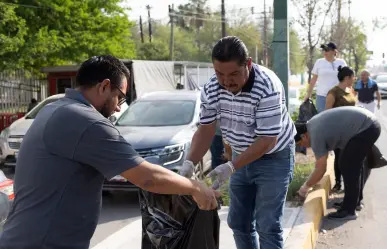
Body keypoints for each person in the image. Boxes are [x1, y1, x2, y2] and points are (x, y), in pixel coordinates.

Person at [0, 55, 220, 249]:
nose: (118, 108)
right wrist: (195, 187)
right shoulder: (86, 121)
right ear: (105, 86)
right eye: (121, 98)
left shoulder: (55, 109)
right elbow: (147, 178)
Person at [179, 36, 296, 249]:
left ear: (248, 64)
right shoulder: (212, 87)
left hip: (274, 157)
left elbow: (268, 140)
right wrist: (189, 164)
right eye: (219, 74)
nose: (227, 81)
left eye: (233, 74)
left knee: (268, 225)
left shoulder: (267, 86)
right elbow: (206, 129)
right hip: (241, 157)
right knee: (238, 222)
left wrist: (232, 166)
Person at [295, 106, 380, 220]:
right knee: (346, 163)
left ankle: (349, 210)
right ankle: (354, 203)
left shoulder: (315, 135)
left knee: (349, 166)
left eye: (300, 143)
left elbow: (320, 169)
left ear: (303, 135)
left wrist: (304, 188)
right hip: (367, 124)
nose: (302, 147)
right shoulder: (312, 125)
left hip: (366, 127)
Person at [325, 66, 357, 192]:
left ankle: (349, 184)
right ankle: (338, 183)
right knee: (340, 157)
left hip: (352, 129)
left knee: (350, 157)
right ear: (346, 78)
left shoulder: (350, 90)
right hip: (338, 130)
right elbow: (327, 112)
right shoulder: (333, 92)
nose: (354, 79)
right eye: (352, 77)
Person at [304, 42, 347, 113]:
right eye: (324, 50)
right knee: (322, 120)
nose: (325, 52)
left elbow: (346, 79)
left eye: (327, 50)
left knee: (337, 120)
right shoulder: (319, 62)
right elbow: (313, 80)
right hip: (321, 97)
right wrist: (308, 94)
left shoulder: (341, 63)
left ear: (334, 51)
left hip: (337, 97)